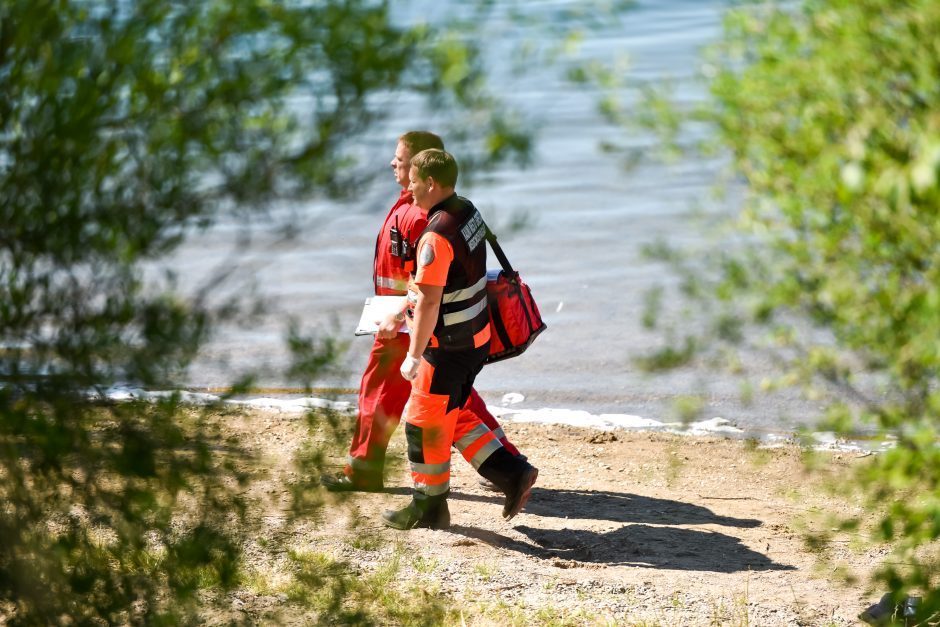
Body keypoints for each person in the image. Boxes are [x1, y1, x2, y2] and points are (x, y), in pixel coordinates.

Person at [321, 131, 523, 494]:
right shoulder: (422, 204)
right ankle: (507, 463)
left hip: (408, 324)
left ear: (422, 169)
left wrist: (401, 320)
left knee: (379, 394)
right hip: (419, 323)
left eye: (400, 161)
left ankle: (364, 470)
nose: (393, 165)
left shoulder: (420, 216)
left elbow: (427, 284)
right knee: (457, 400)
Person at [381, 149, 538, 530]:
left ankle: (429, 507)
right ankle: (512, 474)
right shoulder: (467, 210)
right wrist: (405, 308)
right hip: (475, 339)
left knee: (422, 425)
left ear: (431, 183)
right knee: (451, 414)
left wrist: (413, 355)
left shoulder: (434, 236)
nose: (410, 190)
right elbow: (445, 282)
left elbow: (432, 299)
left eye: (414, 183)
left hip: (446, 347)